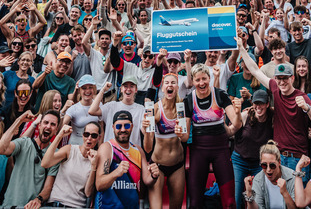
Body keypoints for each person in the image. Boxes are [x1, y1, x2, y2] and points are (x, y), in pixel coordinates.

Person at [239, 46, 311, 170]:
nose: (282, 82)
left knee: (297, 190)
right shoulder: (275, 88)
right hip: (279, 157)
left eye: (285, 78)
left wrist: (306, 108)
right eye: (279, 78)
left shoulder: (301, 96)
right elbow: (255, 70)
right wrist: (241, 48)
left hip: (297, 158)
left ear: (292, 78)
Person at [180, 62, 240, 209]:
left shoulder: (220, 95)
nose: (201, 83)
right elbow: (185, 137)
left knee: (230, 202)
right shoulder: (188, 101)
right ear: (193, 82)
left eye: (204, 79)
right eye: (198, 80)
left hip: (221, 150)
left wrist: (237, 114)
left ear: (209, 78)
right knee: (195, 203)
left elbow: (237, 124)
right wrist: (179, 133)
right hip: (199, 151)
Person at [0, 110, 62, 209]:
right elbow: (0, 149)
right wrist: (19, 120)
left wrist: (38, 199)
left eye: (52, 124)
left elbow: (48, 187)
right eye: (46, 122)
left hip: (31, 207)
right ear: (39, 125)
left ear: (56, 130)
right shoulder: (24, 143)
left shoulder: (55, 154)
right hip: (10, 205)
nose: (48, 126)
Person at [95, 110, 158, 209]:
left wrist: (154, 176)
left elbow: (147, 180)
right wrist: (116, 172)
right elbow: (99, 184)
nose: (123, 130)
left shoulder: (138, 150)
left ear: (132, 127)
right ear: (113, 128)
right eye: (119, 126)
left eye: (127, 126)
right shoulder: (107, 147)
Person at [144, 72, 187, 209]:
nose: (170, 85)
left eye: (173, 83)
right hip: (158, 165)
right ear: (162, 88)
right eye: (167, 83)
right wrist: (146, 131)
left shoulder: (181, 108)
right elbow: (148, 148)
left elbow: (185, 138)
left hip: (177, 165)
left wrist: (180, 134)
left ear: (177, 87)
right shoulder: (155, 109)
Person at [41, 120, 102, 209]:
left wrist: (93, 166)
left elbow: (88, 192)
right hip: (55, 204)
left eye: (94, 136)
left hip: (76, 206)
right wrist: (59, 136)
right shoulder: (70, 150)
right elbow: (45, 163)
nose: (89, 138)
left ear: (99, 138)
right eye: (86, 134)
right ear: (82, 135)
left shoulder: (96, 158)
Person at [233, 89, 275, 209]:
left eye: (261, 103)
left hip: (259, 163)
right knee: (236, 196)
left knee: (260, 197)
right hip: (240, 160)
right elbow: (231, 130)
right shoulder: (245, 115)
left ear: (267, 104)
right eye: (256, 103)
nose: (258, 106)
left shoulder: (272, 117)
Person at [245, 140, 297, 209]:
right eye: (264, 165)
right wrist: (249, 193)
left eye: (272, 165)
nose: (268, 170)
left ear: (279, 162)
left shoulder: (291, 176)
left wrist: (285, 193)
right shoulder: (258, 179)